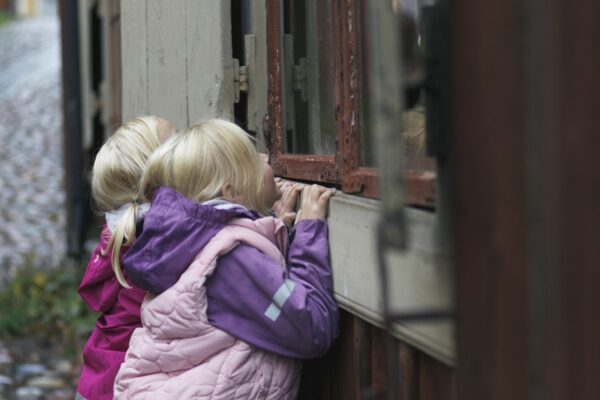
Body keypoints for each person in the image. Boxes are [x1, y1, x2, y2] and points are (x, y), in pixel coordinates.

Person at [113, 119, 339, 399]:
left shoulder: (194, 243)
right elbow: (311, 328)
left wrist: (276, 225)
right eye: (254, 158)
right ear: (232, 192)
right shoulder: (230, 260)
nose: (267, 158)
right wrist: (308, 233)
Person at [75, 116, 175, 400]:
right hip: (125, 387)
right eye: (177, 144)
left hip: (98, 381)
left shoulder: (119, 239)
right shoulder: (159, 246)